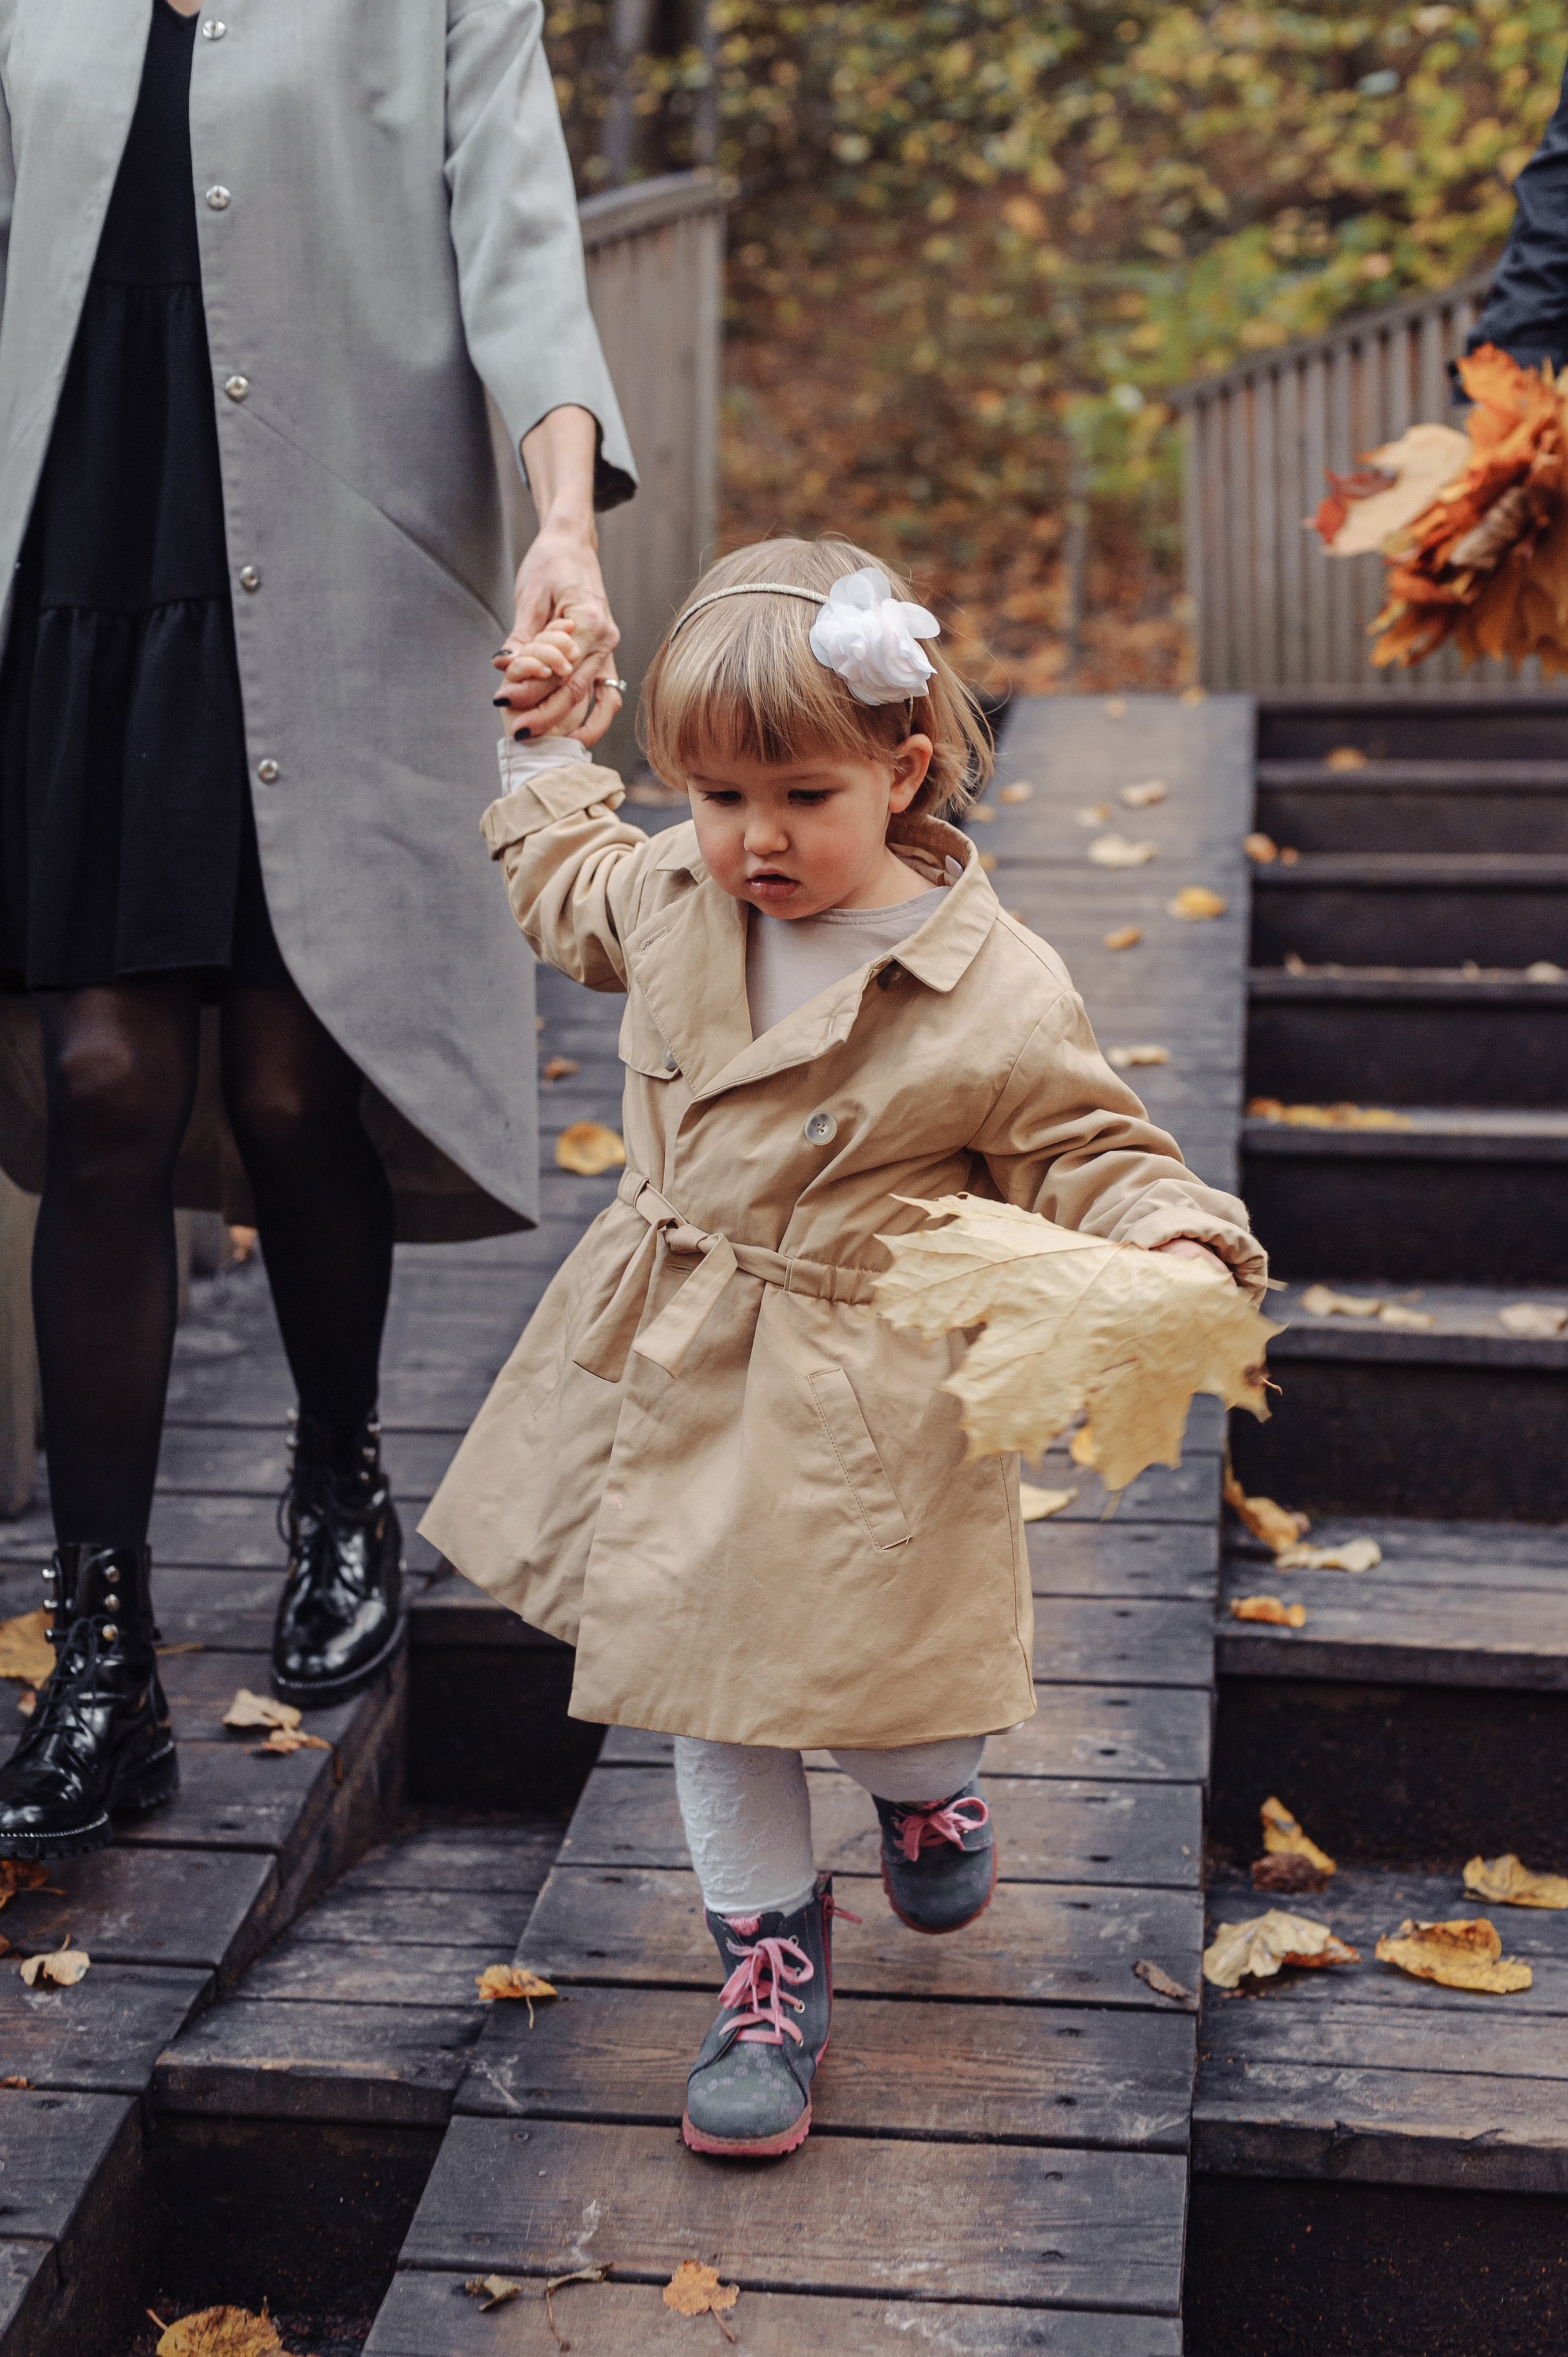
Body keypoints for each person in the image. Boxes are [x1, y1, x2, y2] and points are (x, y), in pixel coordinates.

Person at [423, 534, 1267, 2160]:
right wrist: (542, 752)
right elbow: (562, 879)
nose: (757, 840)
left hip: (860, 1386)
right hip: (672, 1348)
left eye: (802, 796)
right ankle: (765, 1961)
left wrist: (1170, 1233)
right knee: (710, 1689)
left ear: (904, 765)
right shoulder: (675, 890)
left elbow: (1089, 1146)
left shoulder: (985, 985)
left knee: (890, 1692)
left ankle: (925, 1785)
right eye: (720, 797)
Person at [0, 0, 634, 1861]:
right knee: (107, 1081)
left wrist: (564, 528)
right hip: (84, 573)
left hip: (339, 579)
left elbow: (522, 239)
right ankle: (102, 1661)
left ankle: (338, 1470)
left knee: (294, 1084)